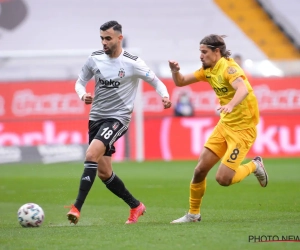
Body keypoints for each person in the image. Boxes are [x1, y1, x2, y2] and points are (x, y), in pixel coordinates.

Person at [66, 20, 172, 225]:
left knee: (90, 154)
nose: (104, 42)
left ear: (119, 38)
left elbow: (156, 81)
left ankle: (76, 207)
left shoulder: (132, 62)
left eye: (108, 38)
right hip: (96, 117)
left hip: (118, 118)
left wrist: (165, 96)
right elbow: (79, 82)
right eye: (102, 38)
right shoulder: (94, 59)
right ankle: (135, 205)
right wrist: (82, 95)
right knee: (104, 172)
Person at [168, 34, 268, 223]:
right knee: (199, 170)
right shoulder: (208, 70)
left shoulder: (229, 68)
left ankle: (255, 165)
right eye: (200, 52)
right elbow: (180, 81)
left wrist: (230, 105)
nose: (201, 56)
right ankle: (193, 214)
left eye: (204, 52)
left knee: (223, 179)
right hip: (225, 125)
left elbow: (242, 89)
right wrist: (174, 71)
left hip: (243, 130)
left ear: (216, 51)